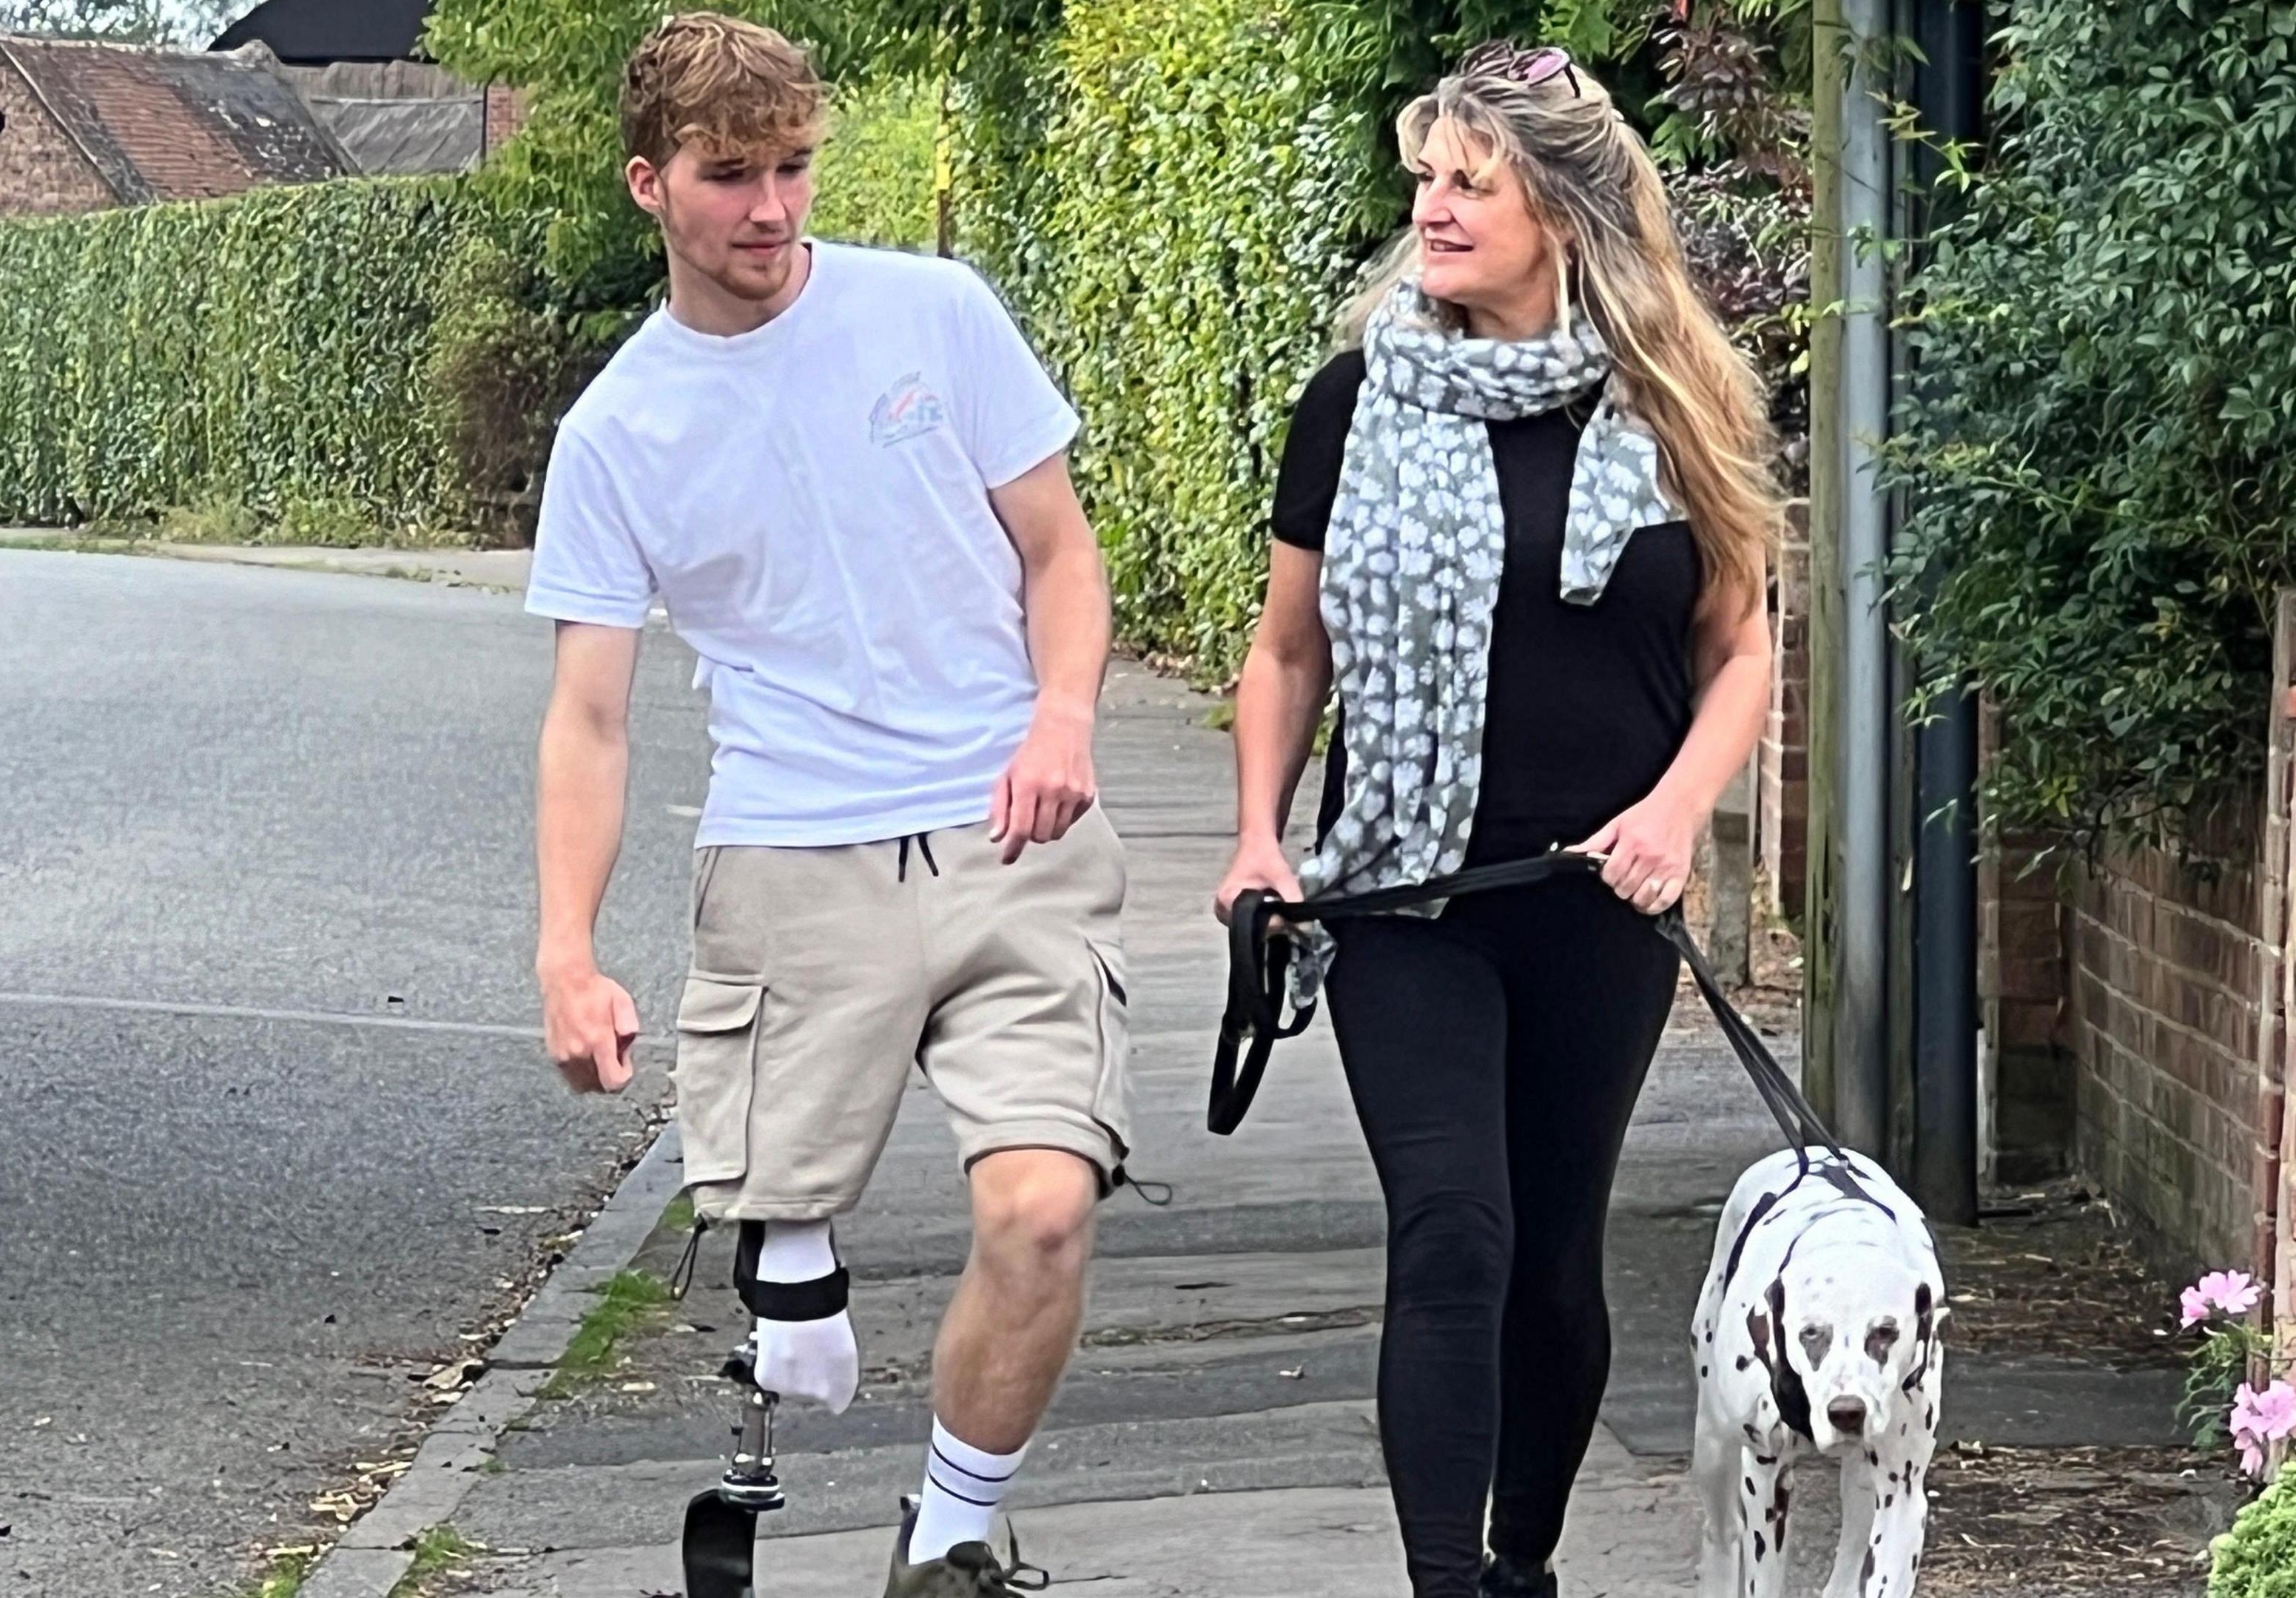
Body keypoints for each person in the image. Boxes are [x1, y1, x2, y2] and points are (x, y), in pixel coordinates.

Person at [523, 16, 1126, 1596]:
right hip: (794, 850)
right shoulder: (617, 435)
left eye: (793, 170)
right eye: (731, 179)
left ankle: (950, 1534)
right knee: (793, 1311)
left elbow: (1062, 554)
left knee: (1047, 1211)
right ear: (650, 184)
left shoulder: (934, 316)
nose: (773, 211)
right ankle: (788, 1259)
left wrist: (1061, 713)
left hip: (1010, 828)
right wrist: (566, 951)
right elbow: (591, 716)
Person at [1214, 41, 1780, 1598]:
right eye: (1428, 177)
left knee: (1550, 1269)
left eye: (1476, 180)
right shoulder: (1353, 403)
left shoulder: (1670, 406)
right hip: (1401, 899)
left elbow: (1741, 647)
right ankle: (1442, 1583)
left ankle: (1519, 1562)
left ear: (1568, 210)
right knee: (1452, 1228)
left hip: (1599, 904)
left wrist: (1675, 816)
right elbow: (1286, 649)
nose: (1436, 206)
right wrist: (1263, 836)